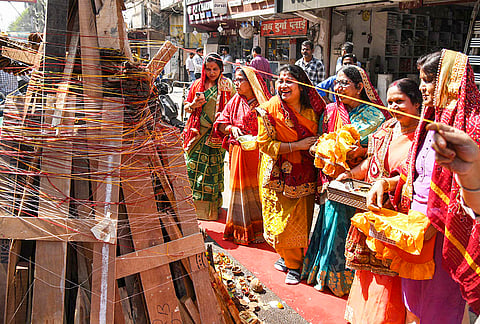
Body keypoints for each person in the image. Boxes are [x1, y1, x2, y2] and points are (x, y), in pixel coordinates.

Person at [366, 50, 480, 323]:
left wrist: (436, 219)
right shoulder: (428, 121)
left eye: (428, 80)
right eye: (421, 80)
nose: (422, 88)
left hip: (447, 229)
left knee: (440, 303)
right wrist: (386, 181)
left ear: (449, 83)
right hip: (416, 225)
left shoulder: (472, 127)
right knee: (415, 299)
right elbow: (415, 171)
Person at [338, 78, 422, 324]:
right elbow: (372, 161)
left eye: (400, 102)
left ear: (417, 103)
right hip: (373, 213)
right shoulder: (387, 128)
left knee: (392, 278)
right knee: (369, 274)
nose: (394, 107)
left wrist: (387, 184)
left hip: (399, 218)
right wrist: (351, 174)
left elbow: (417, 176)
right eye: (390, 102)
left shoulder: (423, 137)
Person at [301, 65, 386, 297]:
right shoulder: (330, 111)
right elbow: (320, 139)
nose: (338, 88)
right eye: (336, 83)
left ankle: (349, 280)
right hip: (332, 177)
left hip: (357, 180)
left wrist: (350, 153)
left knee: (348, 226)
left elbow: (375, 148)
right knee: (329, 222)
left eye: (344, 83)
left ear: (359, 87)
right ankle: (323, 274)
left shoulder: (374, 115)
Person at [257, 64, 325, 285]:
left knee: (297, 220)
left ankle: (294, 265)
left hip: (304, 172)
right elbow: (264, 144)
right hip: (276, 171)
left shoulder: (314, 109)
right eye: (280, 81)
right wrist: (297, 145)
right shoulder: (269, 109)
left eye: (289, 81)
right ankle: (286, 256)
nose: (283, 86)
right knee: (278, 219)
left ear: (302, 85)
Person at [213, 66, 271, 245]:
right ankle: (240, 229)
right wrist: (231, 128)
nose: (236, 84)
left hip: (259, 154)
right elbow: (221, 123)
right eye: (235, 80)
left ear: (251, 82)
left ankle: (261, 230)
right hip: (238, 153)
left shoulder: (265, 102)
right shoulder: (235, 101)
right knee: (238, 191)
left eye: (240, 80)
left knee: (259, 192)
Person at [182, 53, 235, 220]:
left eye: (215, 69)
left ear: (221, 70)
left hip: (217, 135)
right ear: (203, 69)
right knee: (193, 169)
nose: (212, 72)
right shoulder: (197, 84)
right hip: (197, 134)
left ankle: (211, 211)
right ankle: (194, 210)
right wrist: (193, 105)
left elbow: (234, 106)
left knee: (212, 171)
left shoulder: (227, 85)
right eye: (208, 69)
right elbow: (186, 107)